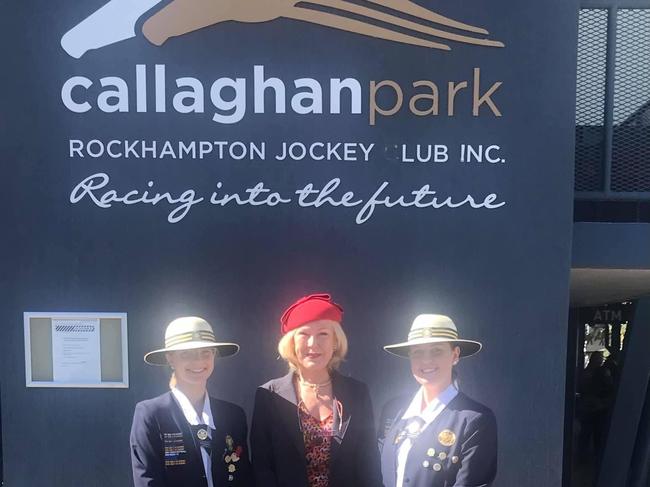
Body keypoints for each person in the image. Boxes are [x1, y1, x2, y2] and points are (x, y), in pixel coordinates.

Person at [250, 293, 382, 487]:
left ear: (335, 342)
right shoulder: (268, 395)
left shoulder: (358, 393)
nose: (313, 344)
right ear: (292, 342)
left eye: (323, 334)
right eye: (304, 334)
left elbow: (368, 464)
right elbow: (263, 468)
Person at [130, 316, 253, 487]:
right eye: (186, 354)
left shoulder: (233, 415)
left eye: (206, 353)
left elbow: (244, 477)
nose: (198, 361)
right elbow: (148, 481)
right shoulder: (151, 414)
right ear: (170, 359)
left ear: (214, 356)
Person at [379, 314, 497, 487]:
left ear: (455, 355)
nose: (426, 360)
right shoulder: (393, 411)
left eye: (437, 351)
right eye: (418, 352)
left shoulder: (475, 420)